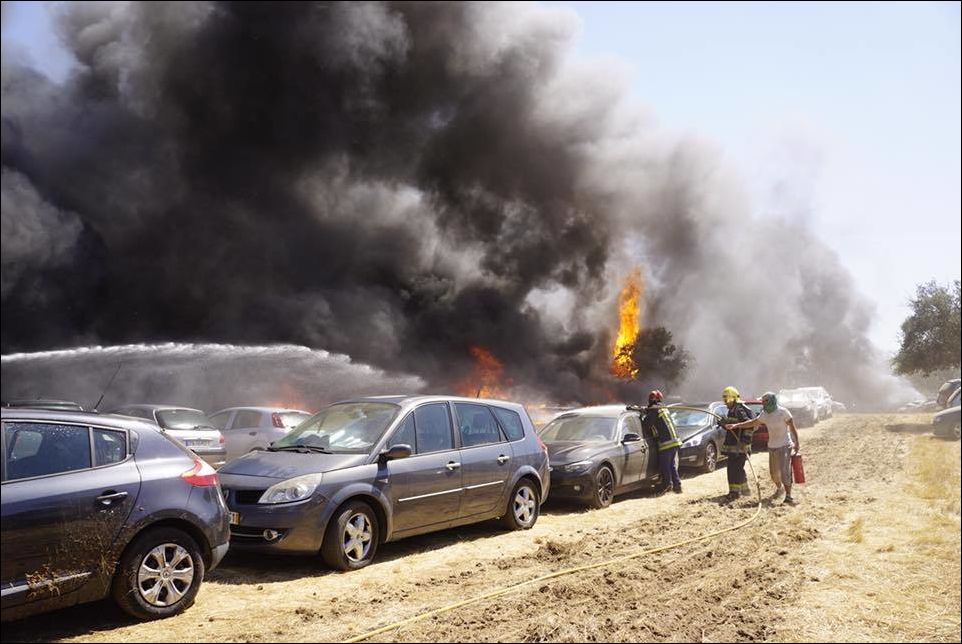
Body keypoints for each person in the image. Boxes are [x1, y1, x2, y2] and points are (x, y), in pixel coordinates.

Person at [725, 391, 800, 505]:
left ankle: (788, 495)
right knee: (774, 474)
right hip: (772, 446)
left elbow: (792, 427)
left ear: (772, 401)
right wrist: (736, 425)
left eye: (765, 401)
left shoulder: (783, 412)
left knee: (785, 471)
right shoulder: (764, 414)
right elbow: (752, 423)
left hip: (785, 445)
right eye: (762, 401)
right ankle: (780, 488)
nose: (763, 403)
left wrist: (797, 442)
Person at [718, 386, 755, 502]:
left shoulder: (739, 409)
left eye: (727, 400)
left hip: (739, 447)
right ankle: (745, 490)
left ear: (733, 398)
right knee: (738, 469)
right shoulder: (733, 409)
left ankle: (734, 493)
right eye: (724, 400)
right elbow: (733, 426)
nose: (725, 403)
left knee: (734, 470)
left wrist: (744, 440)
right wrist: (724, 424)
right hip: (735, 447)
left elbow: (749, 425)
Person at [642, 390, 682, 494]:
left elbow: (647, 424)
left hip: (666, 442)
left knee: (665, 466)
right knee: (671, 465)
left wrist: (643, 416)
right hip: (674, 441)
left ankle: (667, 486)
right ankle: (677, 486)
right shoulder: (662, 408)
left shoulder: (654, 409)